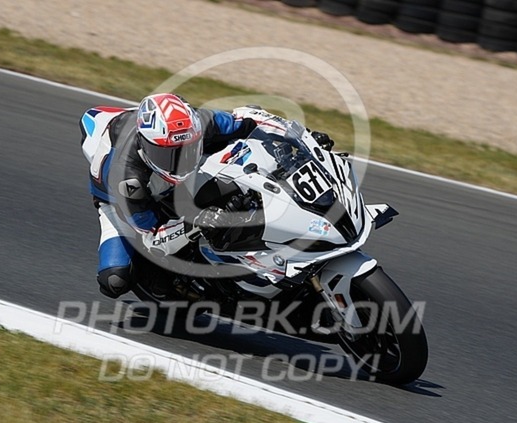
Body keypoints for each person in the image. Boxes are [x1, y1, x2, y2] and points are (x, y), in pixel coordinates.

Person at [80, 93, 334, 299]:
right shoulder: (127, 178)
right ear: (146, 146)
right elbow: (152, 238)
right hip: (123, 207)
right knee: (115, 279)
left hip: (175, 179)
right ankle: (182, 287)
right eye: (169, 155)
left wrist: (304, 138)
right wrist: (193, 225)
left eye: (187, 149)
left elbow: (250, 118)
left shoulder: (200, 123)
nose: (180, 160)